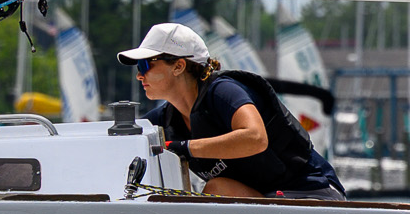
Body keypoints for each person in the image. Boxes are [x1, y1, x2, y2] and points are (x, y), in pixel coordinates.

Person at [123, 21, 345, 200]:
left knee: (218, 188)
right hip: (269, 205)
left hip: (313, 194)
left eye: (145, 65)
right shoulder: (163, 120)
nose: (139, 75)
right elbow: (126, 145)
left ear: (179, 66)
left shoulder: (223, 91)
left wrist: (185, 148)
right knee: (215, 190)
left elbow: (256, 138)